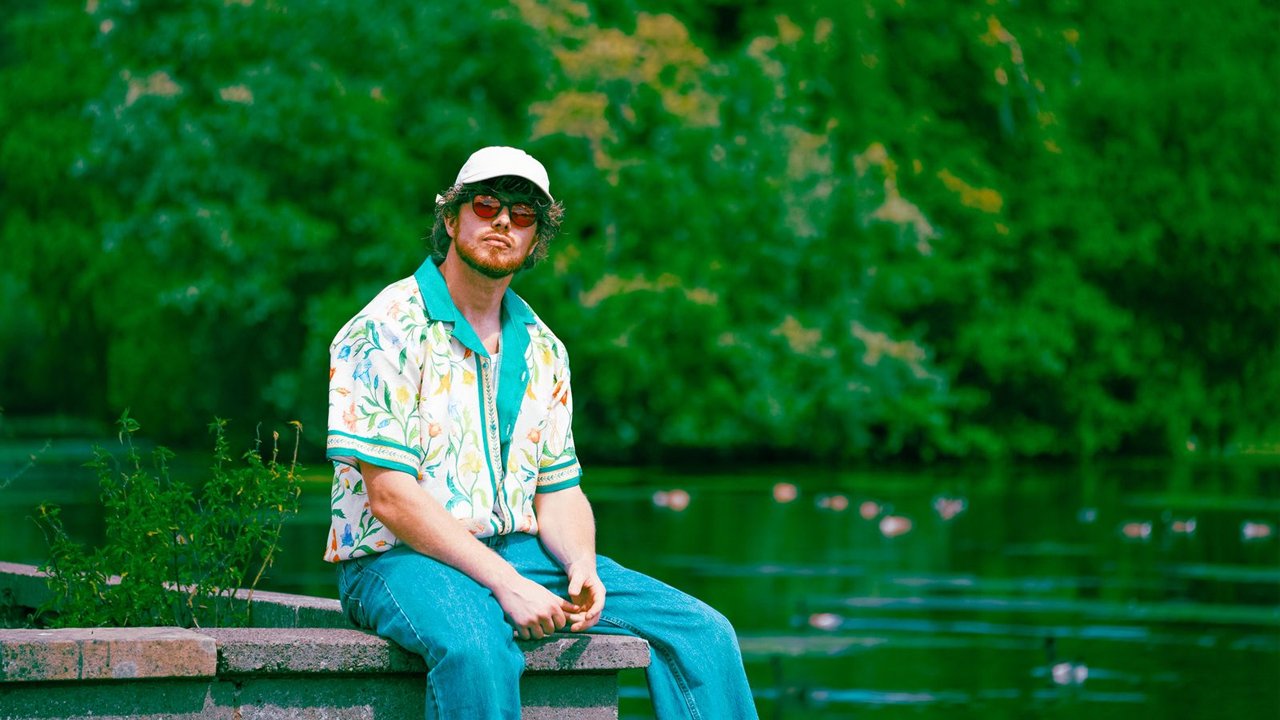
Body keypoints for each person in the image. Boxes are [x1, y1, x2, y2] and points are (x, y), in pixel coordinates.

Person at [325, 146, 758, 719]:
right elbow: (390, 497)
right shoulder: (385, 328)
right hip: (396, 559)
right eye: (486, 205)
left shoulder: (544, 348)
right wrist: (505, 583)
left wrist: (582, 564)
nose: (504, 221)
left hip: (521, 554)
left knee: (703, 632)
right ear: (451, 219)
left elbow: (559, 491)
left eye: (523, 213)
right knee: (477, 647)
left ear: (535, 239)